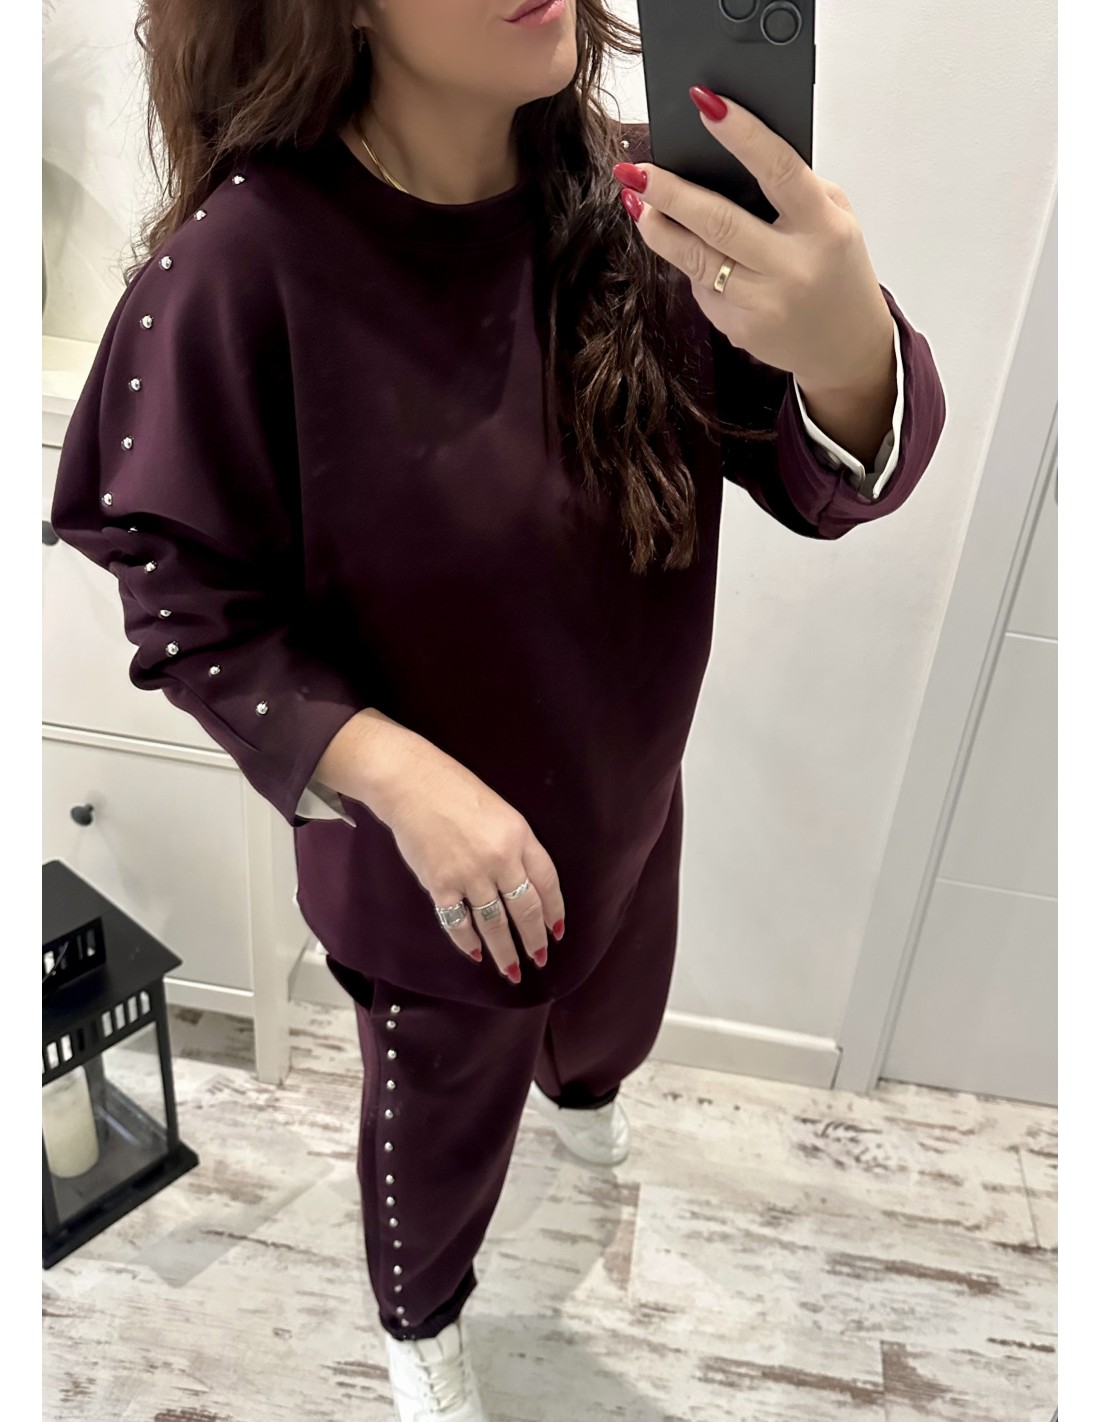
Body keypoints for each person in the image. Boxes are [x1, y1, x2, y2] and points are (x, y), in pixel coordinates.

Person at [50, 2, 946, 1417]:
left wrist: (846, 347)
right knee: (439, 1130)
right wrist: (398, 777)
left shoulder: (647, 205)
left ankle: (584, 1108)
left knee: (610, 1020)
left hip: (628, 794)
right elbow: (182, 600)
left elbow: (821, 481)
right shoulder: (242, 261)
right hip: (432, 880)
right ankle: (421, 1327)